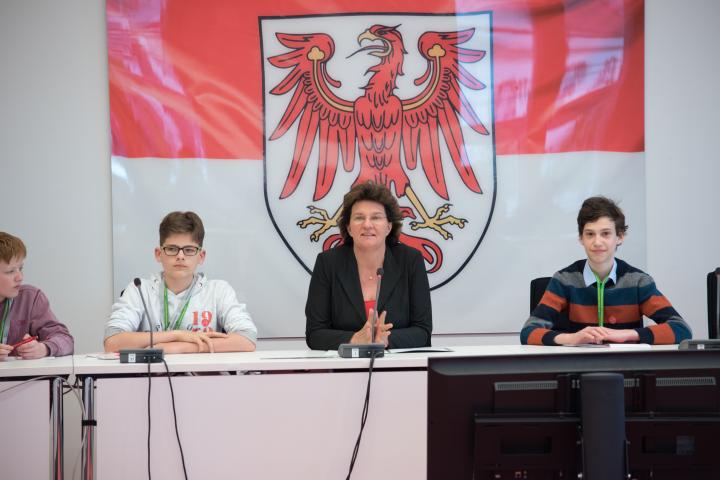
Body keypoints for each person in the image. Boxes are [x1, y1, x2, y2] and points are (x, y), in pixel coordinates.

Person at [521, 196, 691, 346]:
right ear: (581, 238)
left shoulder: (638, 281)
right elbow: (528, 332)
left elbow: (682, 329)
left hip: (626, 368)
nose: (597, 242)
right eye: (590, 234)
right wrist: (571, 338)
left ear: (620, 237)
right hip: (576, 368)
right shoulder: (565, 280)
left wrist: (626, 335)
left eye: (605, 234)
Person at [104, 211, 257, 353]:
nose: (180, 256)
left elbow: (247, 339)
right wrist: (176, 335)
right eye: (172, 249)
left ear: (201, 256)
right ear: (159, 254)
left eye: (189, 250)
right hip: (150, 380)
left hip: (204, 380)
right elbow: (112, 342)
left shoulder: (218, 291)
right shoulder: (140, 289)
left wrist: (181, 347)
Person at [305, 181, 432, 350]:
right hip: (342, 369)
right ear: (349, 228)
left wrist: (384, 340)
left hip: (398, 369)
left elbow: (423, 331)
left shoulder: (410, 261)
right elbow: (315, 334)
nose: (367, 224)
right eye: (359, 217)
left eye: (376, 217)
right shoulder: (328, 263)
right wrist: (355, 339)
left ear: (388, 226)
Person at [0, 232, 74, 359]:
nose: (20, 277)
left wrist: (44, 348)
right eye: (10, 271)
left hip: (21, 378)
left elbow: (66, 340)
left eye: (20, 268)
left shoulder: (30, 298)